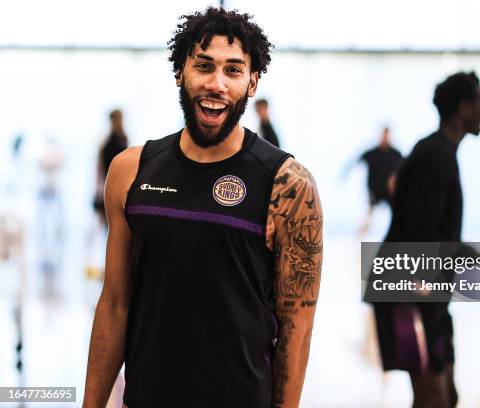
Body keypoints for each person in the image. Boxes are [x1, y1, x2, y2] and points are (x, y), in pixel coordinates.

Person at [83, 7, 323, 408]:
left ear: (252, 82)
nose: (217, 83)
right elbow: (114, 303)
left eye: (233, 70)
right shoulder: (130, 171)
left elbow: (297, 325)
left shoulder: (288, 184)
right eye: (204, 66)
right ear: (180, 71)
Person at [373, 72, 480, 407]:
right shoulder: (436, 154)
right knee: (432, 396)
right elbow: (422, 236)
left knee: (448, 395)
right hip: (410, 290)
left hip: (426, 291)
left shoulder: (440, 152)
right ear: (463, 107)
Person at [357, 126, 403, 234]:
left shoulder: (395, 154)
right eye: (384, 135)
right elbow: (357, 160)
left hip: (389, 192)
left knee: (398, 215)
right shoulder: (373, 153)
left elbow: (405, 167)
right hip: (375, 192)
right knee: (368, 217)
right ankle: (358, 240)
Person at [93, 109, 128, 226]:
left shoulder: (123, 139)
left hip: (121, 186)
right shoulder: (106, 143)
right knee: (109, 224)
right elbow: (100, 168)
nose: (120, 122)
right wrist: (98, 190)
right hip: (109, 185)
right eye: (118, 119)